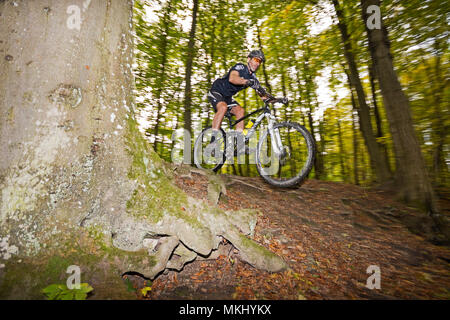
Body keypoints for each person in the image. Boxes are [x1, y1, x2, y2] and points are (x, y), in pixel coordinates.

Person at [207, 49, 268, 134]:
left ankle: (239, 142)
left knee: (240, 111)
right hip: (217, 91)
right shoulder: (240, 67)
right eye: (256, 60)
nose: (257, 63)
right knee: (223, 107)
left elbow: (263, 96)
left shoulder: (253, 78)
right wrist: (247, 81)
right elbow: (233, 78)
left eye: (260, 62)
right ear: (248, 59)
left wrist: (277, 100)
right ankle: (213, 142)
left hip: (227, 97)